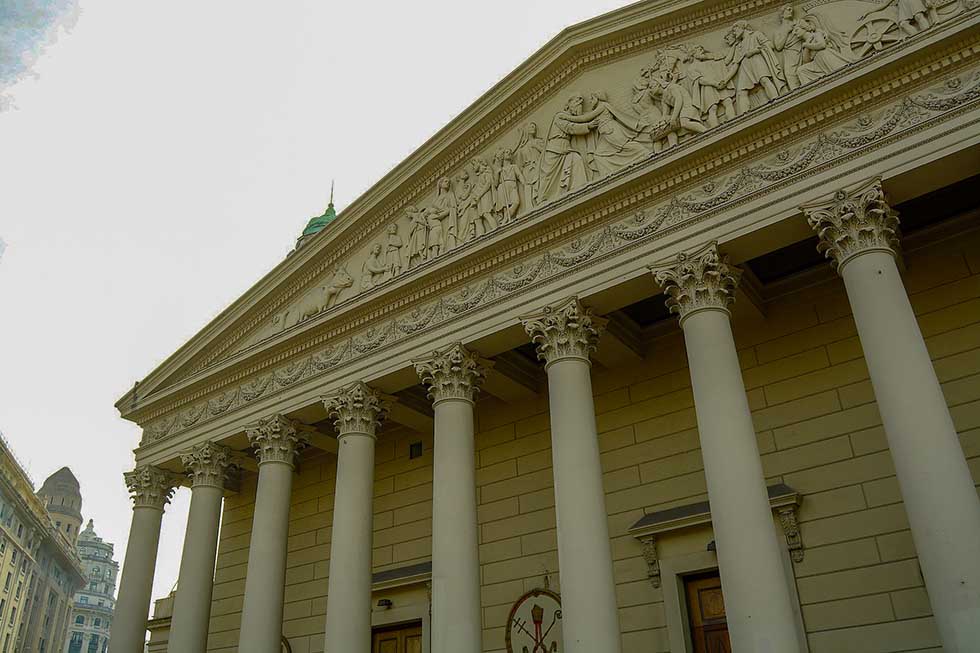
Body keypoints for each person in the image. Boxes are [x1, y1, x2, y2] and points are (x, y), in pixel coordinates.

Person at [536, 94, 603, 203]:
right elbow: (570, 128)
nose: (578, 110)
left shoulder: (568, 117)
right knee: (549, 178)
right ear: (570, 105)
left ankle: (578, 187)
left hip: (565, 148)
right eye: (577, 106)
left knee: (576, 159)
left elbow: (576, 122)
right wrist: (588, 126)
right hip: (555, 149)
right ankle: (543, 199)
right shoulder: (560, 116)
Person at [588, 91, 655, 176]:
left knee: (625, 145)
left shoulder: (602, 105)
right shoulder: (600, 107)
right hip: (604, 135)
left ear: (596, 98)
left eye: (591, 99)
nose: (590, 102)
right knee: (598, 155)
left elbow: (585, 118)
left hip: (611, 130)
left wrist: (566, 117)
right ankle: (608, 174)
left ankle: (645, 151)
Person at [727, 20, 784, 115]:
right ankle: (744, 115)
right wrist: (725, 80)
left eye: (735, 29)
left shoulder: (756, 34)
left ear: (743, 27)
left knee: (765, 80)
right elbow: (736, 63)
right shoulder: (739, 45)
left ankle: (776, 100)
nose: (734, 32)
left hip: (757, 61)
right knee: (741, 91)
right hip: (745, 68)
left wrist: (754, 51)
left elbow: (770, 45)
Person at [651, 70, 707, 148]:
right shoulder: (663, 98)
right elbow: (665, 114)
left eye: (652, 86)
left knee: (684, 123)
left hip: (687, 106)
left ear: (659, 84)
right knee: (681, 128)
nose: (650, 89)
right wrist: (659, 125)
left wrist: (673, 118)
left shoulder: (671, 87)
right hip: (682, 111)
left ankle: (706, 132)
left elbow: (679, 100)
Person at [687, 44, 737, 128]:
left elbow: (725, 61)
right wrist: (715, 83)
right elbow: (700, 80)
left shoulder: (709, 63)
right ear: (693, 54)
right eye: (700, 50)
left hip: (718, 84)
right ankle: (716, 128)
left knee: (728, 101)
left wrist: (734, 46)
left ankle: (734, 121)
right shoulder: (692, 67)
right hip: (708, 87)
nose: (703, 52)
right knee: (713, 108)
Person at [795, 20, 856, 84]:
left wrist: (808, 45)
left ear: (804, 28)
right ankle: (814, 88)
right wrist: (806, 47)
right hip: (817, 62)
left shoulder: (816, 34)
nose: (794, 33)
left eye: (796, 30)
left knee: (840, 73)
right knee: (801, 70)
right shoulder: (805, 44)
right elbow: (806, 61)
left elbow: (822, 45)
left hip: (824, 56)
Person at [772, 5, 806, 90]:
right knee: (790, 74)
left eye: (791, 9)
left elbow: (810, 30)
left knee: (804, 70)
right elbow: (778, 46)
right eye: (788, 9)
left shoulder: (798, 22)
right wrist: (786, 32)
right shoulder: (778, 31)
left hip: (803, 50)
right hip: (790, 55)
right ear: (782, 14)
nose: (791, 10)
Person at [425, 177, 459, 253]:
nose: (448, 183)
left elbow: (452, 208)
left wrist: (440, 216)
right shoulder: (436, 199)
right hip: (436, 225)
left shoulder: (450, 195)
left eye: (449, 182)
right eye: (446, 181)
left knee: (444, 241)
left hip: (446, 220)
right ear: (440, 184)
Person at [514, 123, 544, 209]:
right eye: (530, 126)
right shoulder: (522, 149)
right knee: (528, 187)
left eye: (534, 126)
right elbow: (519, 164)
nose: (533, 127)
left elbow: (545, 151)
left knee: (539, 184)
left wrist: (536, 146)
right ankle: (529, 207)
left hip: (538, 166)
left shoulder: (538, 141)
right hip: (527, 169)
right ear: (526, 130)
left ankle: (540, 201)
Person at [496, 149, 524, 224]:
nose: (509, 153)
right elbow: (495, 183)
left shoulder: (513, 167)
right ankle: (506, 219)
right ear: (503, 156)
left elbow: (519, 175)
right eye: (506, 152)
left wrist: (524, 183)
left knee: (516, 202)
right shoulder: (500, 170)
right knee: (505, 205)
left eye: (510, 153)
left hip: (512, 185)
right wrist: (497, 173)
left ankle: (506, 217)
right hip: (503, 187)